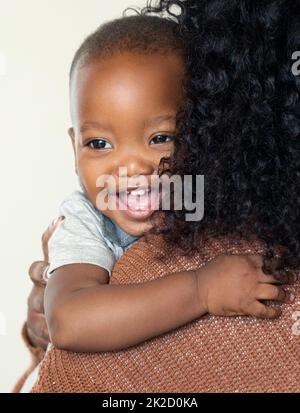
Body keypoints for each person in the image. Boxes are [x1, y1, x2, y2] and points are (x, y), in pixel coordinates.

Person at [15, 0, 300, 393]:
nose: (129, 168)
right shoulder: (85, 218)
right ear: (73, 147)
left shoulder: (211, 196)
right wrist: (201, 289)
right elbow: (69, 320)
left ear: (203, 130)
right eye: (99, 143)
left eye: (160, 138)